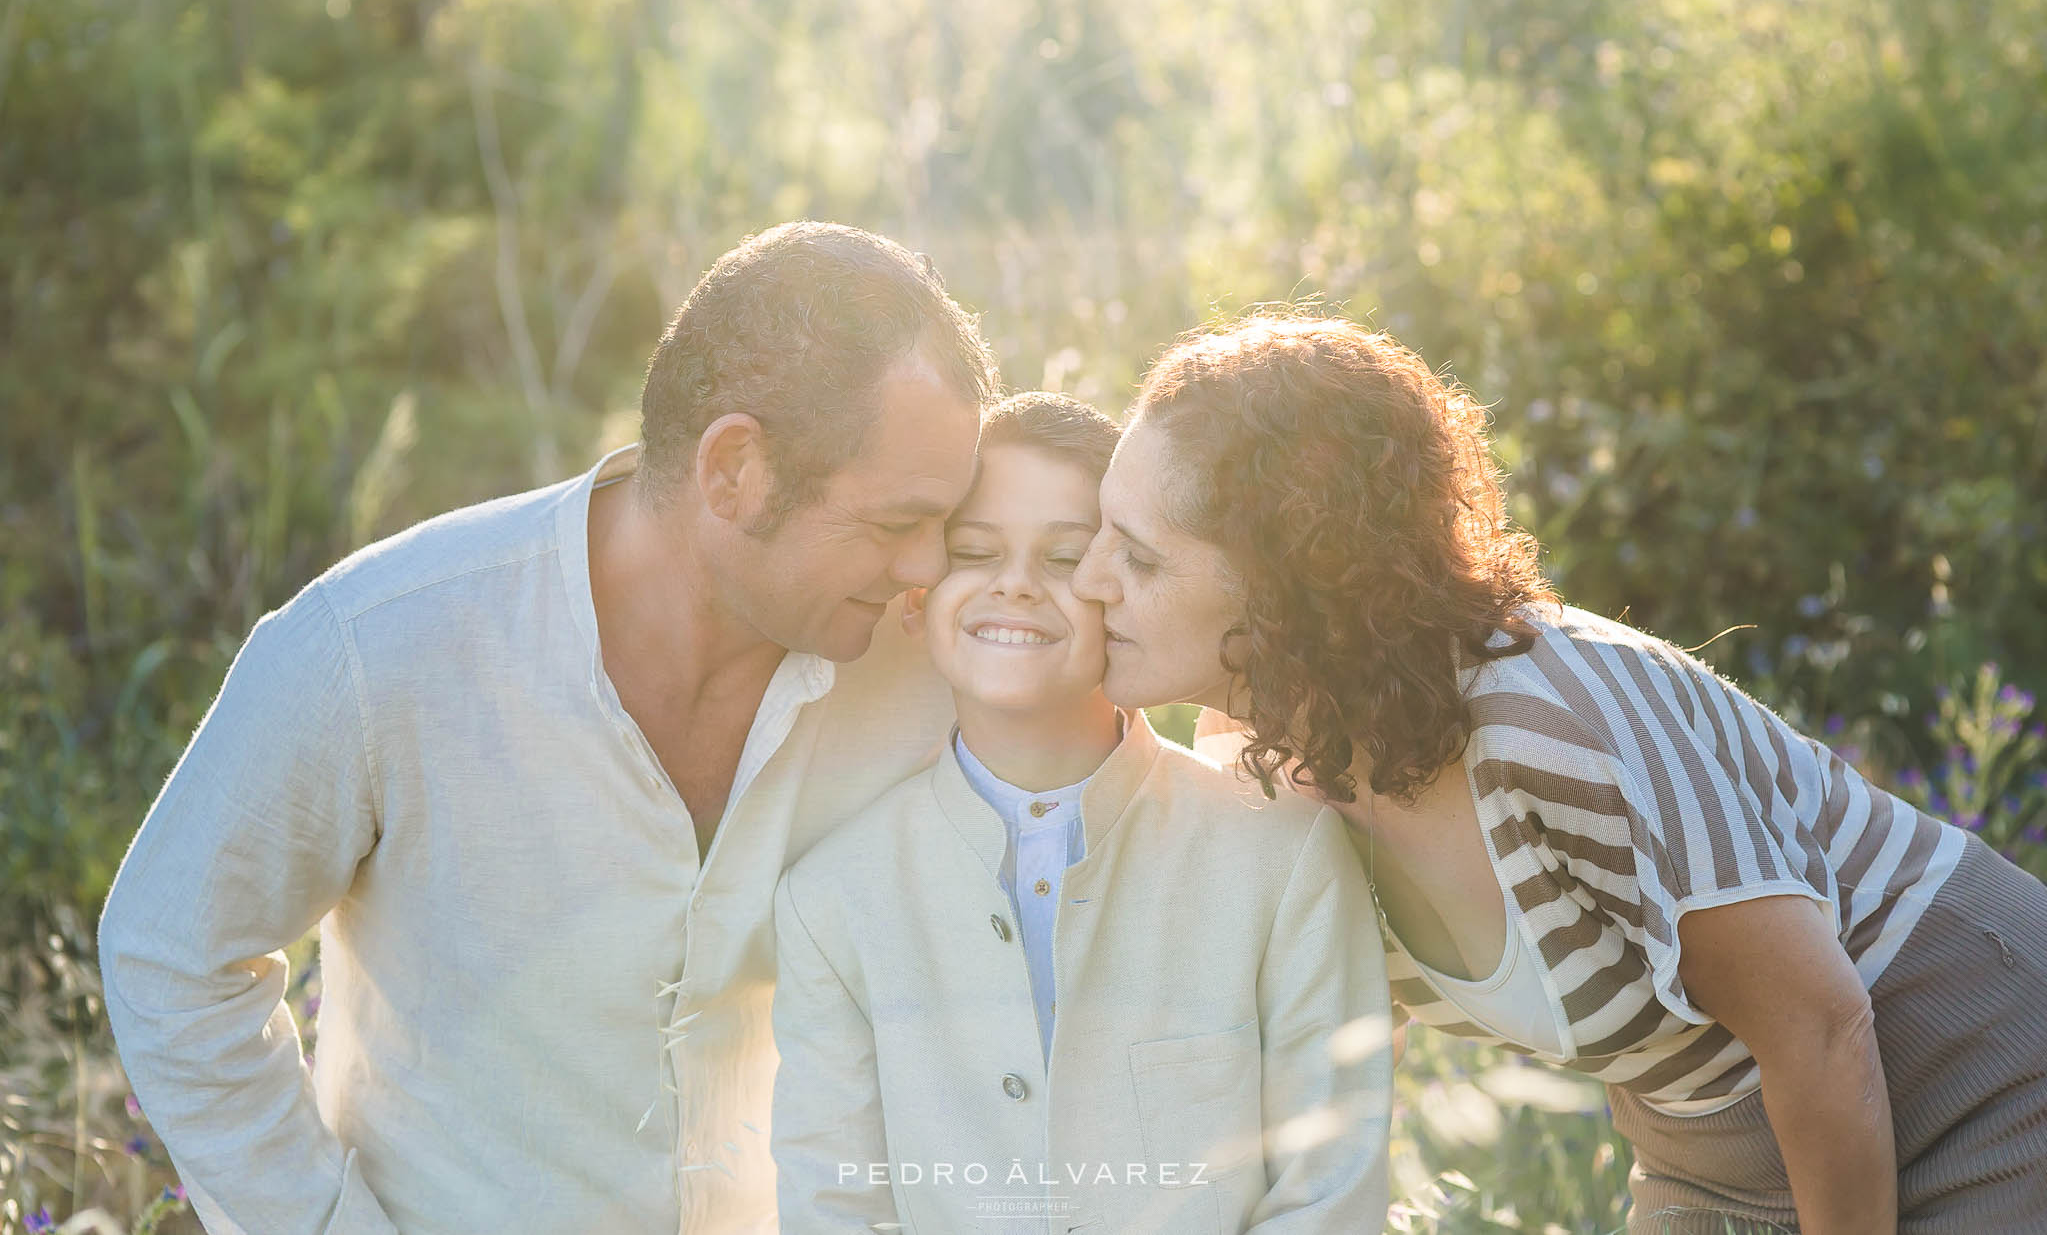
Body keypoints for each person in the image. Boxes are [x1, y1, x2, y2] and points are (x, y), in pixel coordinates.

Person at [97, 222, 998, 1235]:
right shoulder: (380, 644)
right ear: (734, 470)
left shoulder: (931, 662)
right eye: (892, 524)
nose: (929, 568)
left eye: (946, 526)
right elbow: (171, 953)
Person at [1072, 312, 2047, 1235]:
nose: (1090, 580)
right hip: (1713, 1150)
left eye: (1139, 557)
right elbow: (1274, 1070)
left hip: (1976, 1066)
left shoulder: (1554, 719)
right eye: (1099, 534)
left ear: (1287, 594)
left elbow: (1821, 1027)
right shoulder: (1255, 765)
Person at [769, 392, 1393, 1234]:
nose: (1016, 585)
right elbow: (834, 1204)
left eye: (1065, 557)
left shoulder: (1281, 853)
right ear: (916, 596)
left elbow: (1330, 1189)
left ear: (1121, 587)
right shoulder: (832, 897)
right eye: (973, 551)